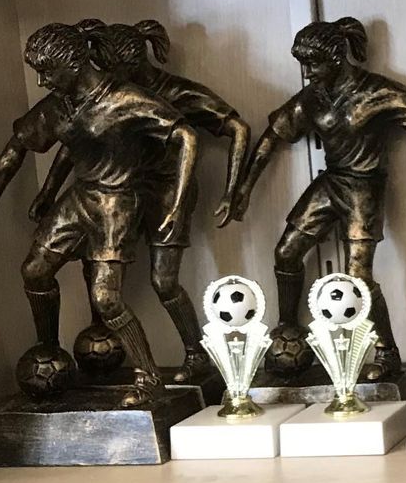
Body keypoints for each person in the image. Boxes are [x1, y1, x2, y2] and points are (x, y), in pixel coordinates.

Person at [0, 23, 198, 406]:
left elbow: (185, 136)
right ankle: (48, 350)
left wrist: (176, 205)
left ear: (74, 62)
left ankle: (148, 377)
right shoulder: (59, 106)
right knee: (35, 271)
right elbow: (16, 148)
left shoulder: (125, 98)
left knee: (107, 299)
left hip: (117, 203)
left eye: (48, 71)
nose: (41, 81)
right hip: (81, 198)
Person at [29, 20, 250, 382]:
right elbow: (76, 145)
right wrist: (48, 191)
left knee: (163, 281)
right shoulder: (104, 98)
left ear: (133, 64)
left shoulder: (167, 94)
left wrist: (233, 191)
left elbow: (234, 128)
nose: (101, 76)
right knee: (97, 270)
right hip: (121, 192)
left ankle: (195, 354)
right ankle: (103, 344)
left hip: (164, 191)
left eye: (109, 68)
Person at [231, 18, 406, 379]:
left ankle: (387, 352)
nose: (308, 73)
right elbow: (271, 138)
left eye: (313, 64)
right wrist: (244, 188)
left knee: (358, 276)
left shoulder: (377, 91)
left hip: (364, 188)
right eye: (303, 65)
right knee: (286, 252)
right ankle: (288, 328)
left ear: (336, 56)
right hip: (331, 183)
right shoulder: (313, 98)